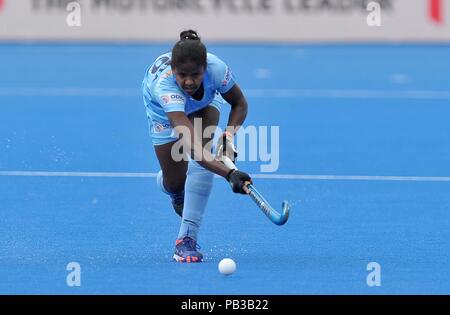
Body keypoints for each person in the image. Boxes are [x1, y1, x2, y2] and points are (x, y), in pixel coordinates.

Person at [142, 30, 252, 263]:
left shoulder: (217, 70)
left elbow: (240, 103)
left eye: (196, 75)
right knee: (176, 182)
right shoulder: (166, 88)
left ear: (205, 68)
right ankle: (170, 184)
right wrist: (230, 174)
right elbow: (194, 150)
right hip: (163, 114)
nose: (189, 82)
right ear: (173, 71)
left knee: (203, 152)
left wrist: (228, 137)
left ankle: (185, 240)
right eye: (182, 75)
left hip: (205, 104)